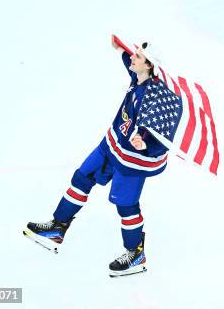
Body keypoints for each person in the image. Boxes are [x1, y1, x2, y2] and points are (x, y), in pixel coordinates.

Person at [24, 36, 169, 277]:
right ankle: (57, 227)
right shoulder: (139, 76)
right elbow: (129, 62)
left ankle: (135, 253)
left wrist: (143, 141)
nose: (132, 58)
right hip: (111, 146)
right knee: (82, 178)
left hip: (132, 162)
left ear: (149, 65)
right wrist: (121, 49)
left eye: (138, 57)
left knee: (126, 206)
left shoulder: (153, 97)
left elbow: (159, 130)